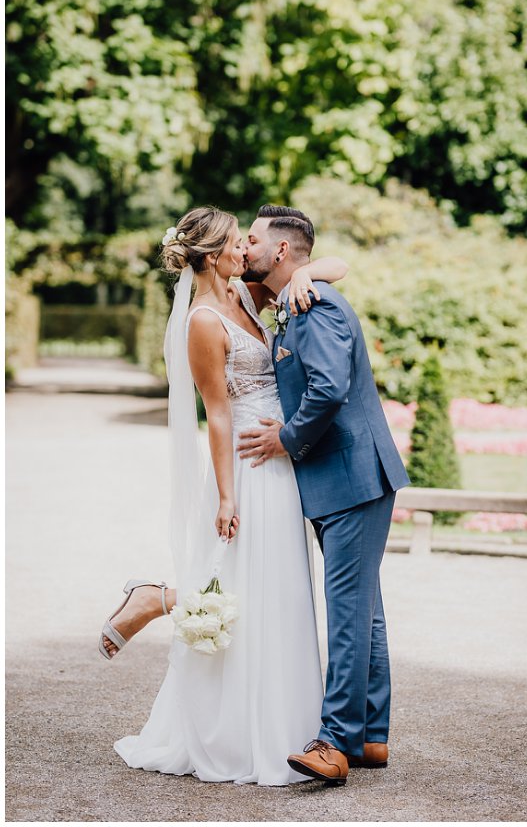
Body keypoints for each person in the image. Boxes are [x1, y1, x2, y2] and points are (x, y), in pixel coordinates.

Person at [100, 205, 349, 786]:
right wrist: (226, 498)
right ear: (214, 256)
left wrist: (311, 275)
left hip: (280, 455)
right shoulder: (204, 322)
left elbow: (333, 263)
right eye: (238, 242)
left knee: (274, 587)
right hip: (245, 462)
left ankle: (161, 599)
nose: (247, 248)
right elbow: (215, 413)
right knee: (241, 583)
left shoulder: (247, 293)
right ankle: (161, 601)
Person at [236, 205, 410, 784]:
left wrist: (286, 438)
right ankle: (371, 737)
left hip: (352, 479)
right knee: (365, 613)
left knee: (346, 614)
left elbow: (330, 388)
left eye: (253, 239)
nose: (244, 247)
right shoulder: (293, 297)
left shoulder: (317, 302)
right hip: (343, 479)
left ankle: (334, 743)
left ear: (282, 251)